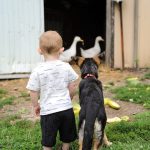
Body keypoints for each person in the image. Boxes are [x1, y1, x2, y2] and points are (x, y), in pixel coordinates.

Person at [26, 31, 79, 150]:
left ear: (39, 50)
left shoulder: (37, 70)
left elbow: (33, 91)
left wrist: (36, 106)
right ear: (61, 50)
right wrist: (69, 98)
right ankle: (65, 148)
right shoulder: (66, 66)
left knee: (48, 138)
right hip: (66, 109)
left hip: (48, 111)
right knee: (67, 135)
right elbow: (73, 85)